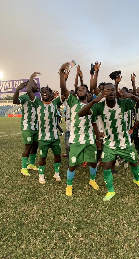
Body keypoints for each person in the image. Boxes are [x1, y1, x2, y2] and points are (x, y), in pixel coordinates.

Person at [78, 83, 139, 202]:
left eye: (112, 90)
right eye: (107, 90)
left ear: (116, 92)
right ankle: (111, 190)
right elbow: (81, 113)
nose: (110, 92)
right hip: (109, 144)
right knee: (106, 166)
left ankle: (137, 179)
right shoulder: (99, 106)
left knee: (135, 163)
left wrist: (130, 95)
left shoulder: (123, 103)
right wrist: (94, 101)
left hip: (125, 143)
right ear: (103, 93)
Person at [60, 62, 100, 196]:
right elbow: (63, 88)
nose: (80, 90)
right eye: (78, 89)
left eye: (83, 89)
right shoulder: (73, 102)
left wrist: (98, 139)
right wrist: (61, 73)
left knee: (93, 162)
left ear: (88, 93)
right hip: (76, 139)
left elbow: (94, 124)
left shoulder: (92, 106)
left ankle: (92, 180)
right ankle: (69, 185)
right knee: (72, 164)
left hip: (89, 139)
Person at [26, 72, 63, 184]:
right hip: (43, 138)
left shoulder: (55, 103)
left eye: (47, 91)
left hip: (55, 137)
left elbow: (65, 93)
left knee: (57, 155)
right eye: (42, 91)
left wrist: (63, 77)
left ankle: (56, 173)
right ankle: (41, 175)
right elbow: (29, 91)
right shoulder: (37, 103)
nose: (44, 92)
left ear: (52, 94)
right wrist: (31, 78)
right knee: (43, 157)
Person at [13, 80, 39, 176]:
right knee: (28, 146)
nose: (37, 86)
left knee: (35, 145)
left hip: (36, 126)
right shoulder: (24, 97)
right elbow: (15, 101)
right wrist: (17, 90)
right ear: (30, 86)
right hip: (27, 125)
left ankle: (31, 164)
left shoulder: (37, 98)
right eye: (35, 84)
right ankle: (24, 167)